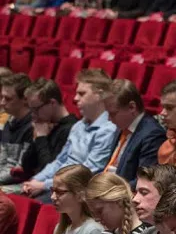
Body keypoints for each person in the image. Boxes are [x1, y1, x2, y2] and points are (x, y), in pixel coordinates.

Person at [22, 70, 117, 202]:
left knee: (33, 204)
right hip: (58, 186)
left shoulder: (108, 130)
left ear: (99, 95)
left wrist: (45, 185)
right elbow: (60, 161)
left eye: (82, 93)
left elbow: (88, 172)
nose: (75, 98)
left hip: (78, 192)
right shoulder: (78, 126)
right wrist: (36, 179)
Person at [7, 79, 78, 189]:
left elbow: (53, 171)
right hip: (33, 183)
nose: (33, 115)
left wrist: (41, 138)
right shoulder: (44, 124)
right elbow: (26, 165)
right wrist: (36, 139)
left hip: (49, 188)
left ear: (52, 103)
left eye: (36, 109)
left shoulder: (71, 128)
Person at [101, 79, 166, 189]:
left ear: (132, 107)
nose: (109, 118)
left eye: (113, 113)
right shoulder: (122, 127)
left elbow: (144, 180)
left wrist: (111, 191)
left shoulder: (152, 135)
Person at [0, 74, 33, 184]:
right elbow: (2, 160)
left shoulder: (32, 126)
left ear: (25, 99)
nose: (2, 103)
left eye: (8, 99)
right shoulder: (9, 121)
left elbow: (20, 171)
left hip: (21, 184)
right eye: (2, 97)